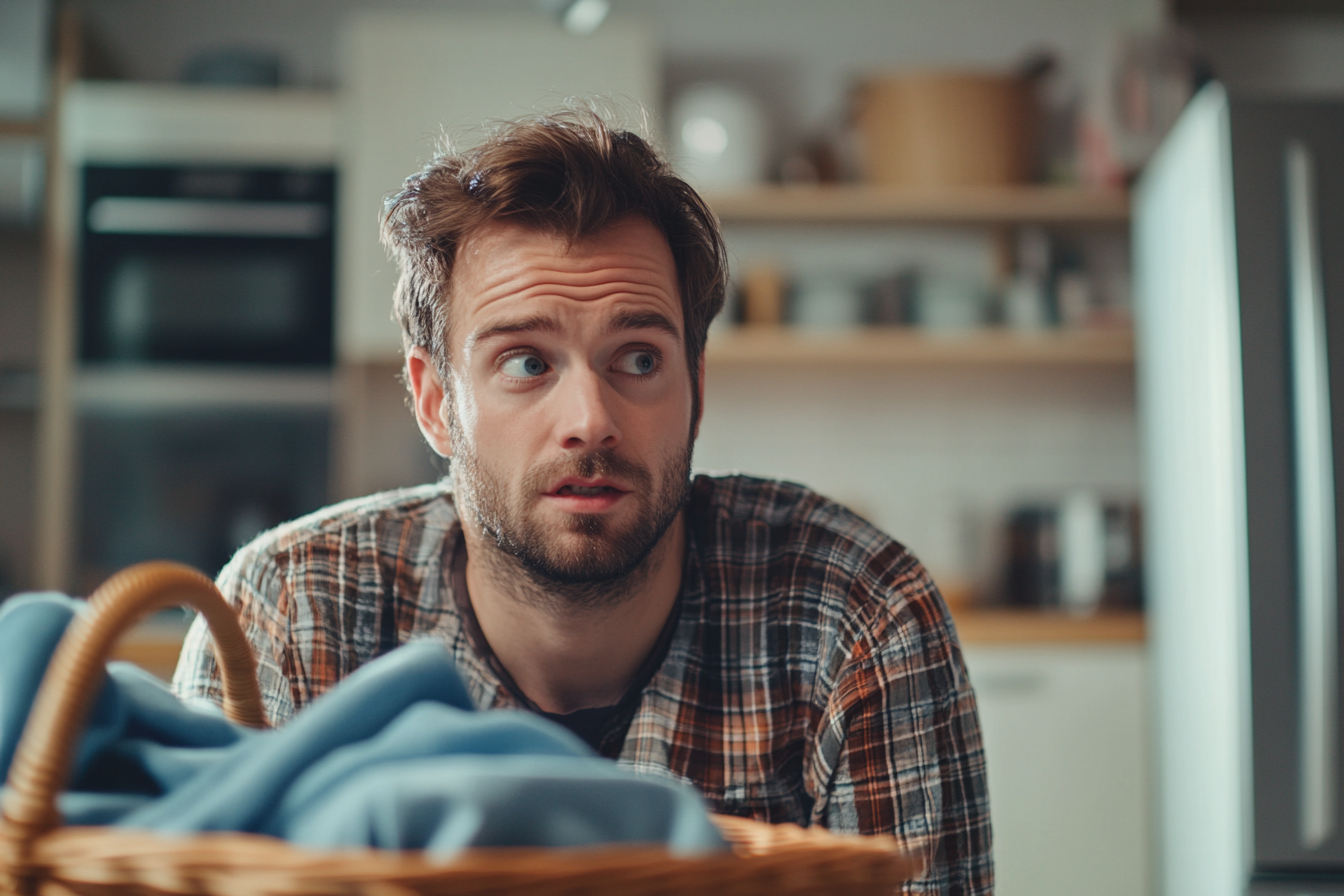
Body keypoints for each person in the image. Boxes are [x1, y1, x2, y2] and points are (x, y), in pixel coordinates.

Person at [173, 108, 992, 894]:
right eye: (526, 363)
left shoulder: (856, 615)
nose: (590, 422)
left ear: (697, 391)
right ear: (434, 403)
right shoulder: (285, 611)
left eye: (637, 360)